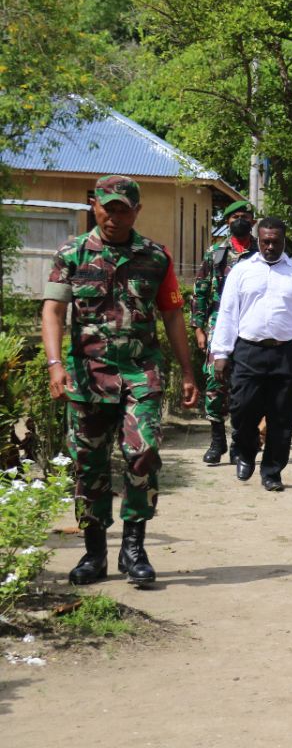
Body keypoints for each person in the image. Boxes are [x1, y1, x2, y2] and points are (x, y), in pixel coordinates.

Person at [42, 175, 199, 586]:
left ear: (137, 211)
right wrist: (55, 364)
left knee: (143, 453)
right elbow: (53, 312)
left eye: (122, 209)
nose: (114, 216)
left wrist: (187, 371)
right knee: (88, 465)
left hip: (140, 373)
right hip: (87, 376)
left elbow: (172, 315)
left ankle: (134, 548)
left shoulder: (155, 257)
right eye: (107, 207)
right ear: (94, 205)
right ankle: (95, 554)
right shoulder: (71, 254)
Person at [211, 217, 292, 492]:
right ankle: (246, 452)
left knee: (282, 416)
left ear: (284, 241)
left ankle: (272, 471)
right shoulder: (241, 271)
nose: (270, 246)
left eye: (275, 242)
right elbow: (227, 312)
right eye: (265, 241)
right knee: (242, 409)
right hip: (248, 350)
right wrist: (221, 352)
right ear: (258, 240)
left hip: (286, 352)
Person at [191, 200, 258, 466]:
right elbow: (201, 292)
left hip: (250, 325)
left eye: (245, 216)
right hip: (218, 324)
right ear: (227, 222)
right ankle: (217, 441)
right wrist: (198, 328)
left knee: (247, 387)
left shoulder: (261, 251)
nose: (240, 220)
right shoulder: (215, 253)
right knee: (214, 382)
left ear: (253, 221)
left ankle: (240, 443)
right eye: (235, 217)